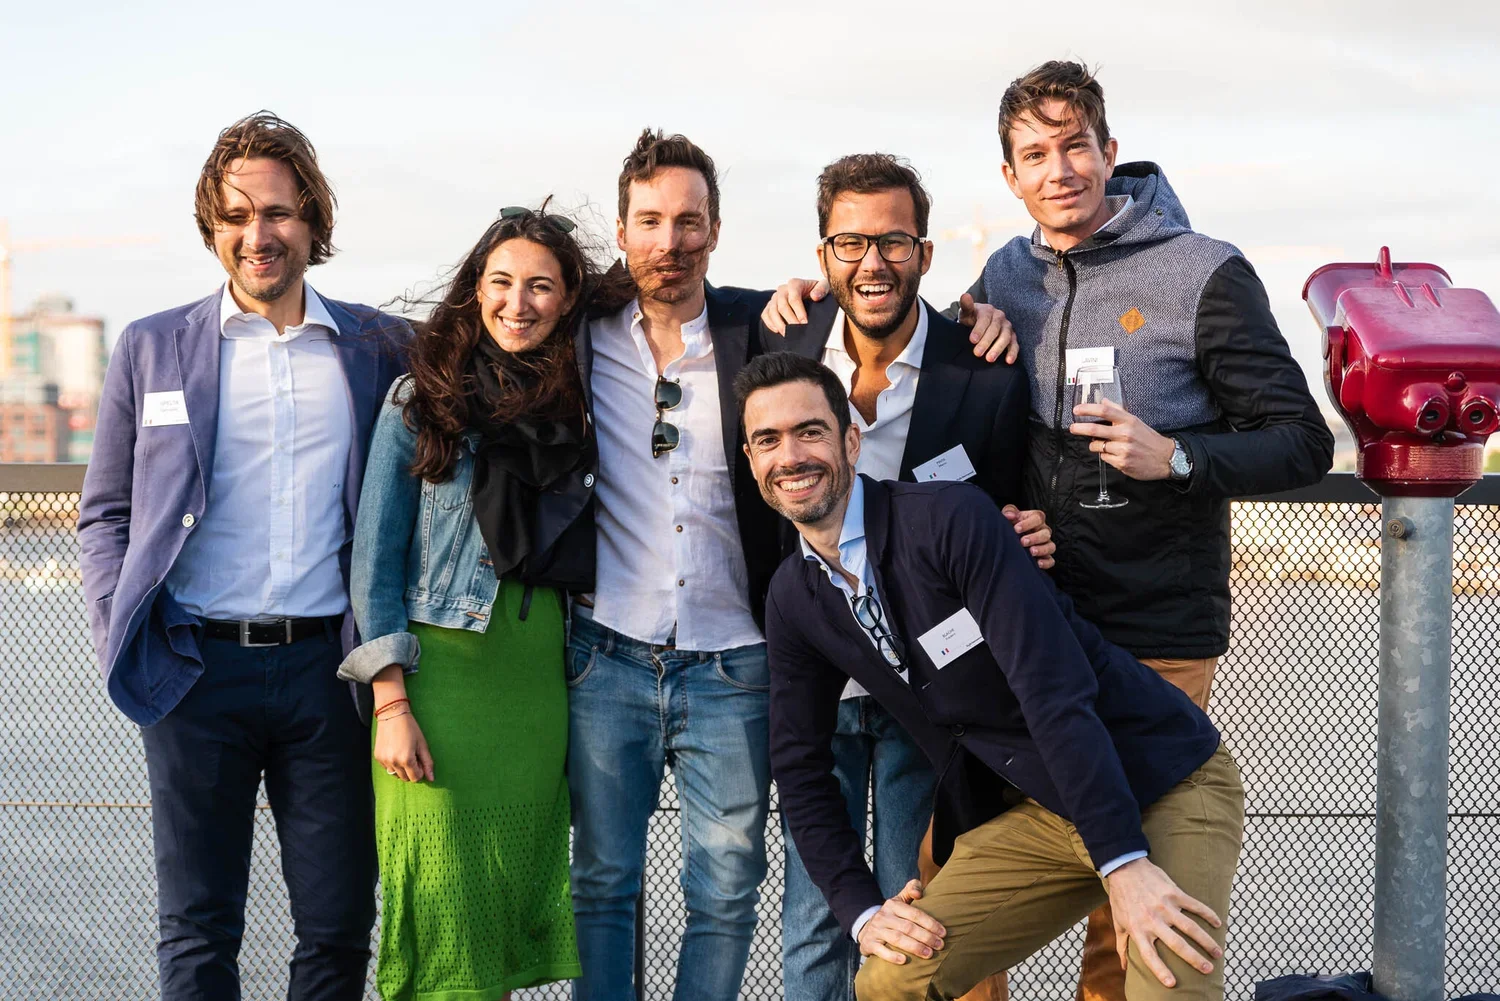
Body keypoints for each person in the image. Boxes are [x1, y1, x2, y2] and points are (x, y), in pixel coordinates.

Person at [762, 60, 1334, 1001]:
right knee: (956, 873)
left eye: (1075, 146)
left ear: (1111, 151)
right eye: (1035, 153)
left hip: (1149, 628)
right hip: (1008, 626)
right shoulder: (1004, 282)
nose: (1059, 168)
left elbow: (1303, 441)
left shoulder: (1202, 271)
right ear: (1010, 177)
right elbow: (979, 425)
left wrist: (1177, 456)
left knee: (1126, 922)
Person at [736, 352, 1245, 1001]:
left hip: (1160, 779)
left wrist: (1122, 861)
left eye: (809, 431)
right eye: (767, 440)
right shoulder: (795, 596)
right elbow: (800, 766)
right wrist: (863, 912)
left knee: (1167, 988)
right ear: (751, 462)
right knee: (892, 976)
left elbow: (1052, 688)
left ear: (851, 440)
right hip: (1038, 805)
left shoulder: (948, 519)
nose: (791, 455)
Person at [77, 112, 410, 1000]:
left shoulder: (379, 349)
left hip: (328, 675)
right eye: (235, 216)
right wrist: (119, 626)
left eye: (277, 212)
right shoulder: (151, 347)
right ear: (212, 227)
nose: (257, 234)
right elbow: (105, 511)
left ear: (312, 221)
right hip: (193, 670)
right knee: (197, 929)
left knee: (338, 928)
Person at [764, 152, 1051, 1001]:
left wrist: (1033, 530)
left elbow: (1010, 513)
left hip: (928, 691)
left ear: (926, 253)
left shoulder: (985, 366)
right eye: (849, 243)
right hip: (815, 670)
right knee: (816, 912)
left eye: (894, 241)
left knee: (923, 912)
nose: (872, 262)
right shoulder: (783, 338)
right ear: (822, 257)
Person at [339, 205, 597, 999]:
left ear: (566, 299)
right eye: (502, 282)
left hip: (537, 692)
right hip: (438, 685)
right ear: (473, 290)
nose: (518, 302)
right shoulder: (422, 402)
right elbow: (373, 560)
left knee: (495, 920)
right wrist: (390, 702)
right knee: (443, 915)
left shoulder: (580, 404)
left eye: (541, 286)